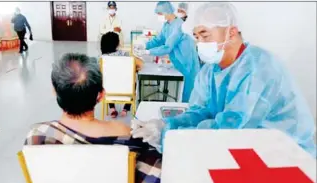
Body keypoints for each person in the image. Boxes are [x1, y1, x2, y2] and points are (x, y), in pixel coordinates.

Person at [131, 2, 317, 157]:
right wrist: (165, 125)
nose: (199, 43)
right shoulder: (209, 71)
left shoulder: (260, 68)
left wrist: (168, 136)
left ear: (232, 32)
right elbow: (199, 111)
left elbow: (231, 129)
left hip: (288, 156)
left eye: (205, 35)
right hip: (244, 149)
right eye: (196, 37)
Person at [24, 53, 161, 183]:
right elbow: (158, 179)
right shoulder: (128, 139)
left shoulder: (38, 136)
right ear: (101, 95)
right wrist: (161, 137)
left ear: (55, 91)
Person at [135, 1, 201, 103]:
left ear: (167, 12)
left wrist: (148, 52)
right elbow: (158, 39)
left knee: (187, 95)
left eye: (160, 14)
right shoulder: (167, 25)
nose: (158, 16)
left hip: (187, 64)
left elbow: (167, 47)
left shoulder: (179, 25)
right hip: (178, 63)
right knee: (179, 93)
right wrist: (144, 45)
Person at [100, 32, 143, 118]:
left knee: (106, 82)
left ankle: (112, 109)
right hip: (126, 90)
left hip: (108, 91)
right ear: (116, 44)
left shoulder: (101, 58)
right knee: (133, 84)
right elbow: (141, 64)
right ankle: (125, 109)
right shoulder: (125, 55)